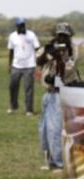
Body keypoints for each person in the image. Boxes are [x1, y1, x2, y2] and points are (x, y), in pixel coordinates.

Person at [37, 22, 81, 171]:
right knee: (43, 130)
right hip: (47, 94)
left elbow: (68, 70)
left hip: (60, 94)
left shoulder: (73, 51)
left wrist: (59, 58)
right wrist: (48, 52)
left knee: (55, 129)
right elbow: (38, 61)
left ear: (69, 37)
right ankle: (49, 160)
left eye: (64, 36)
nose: (61, 39)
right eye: (59, 35)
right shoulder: (51, 47)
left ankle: (59, 163)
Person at [7, 17, 40, 116]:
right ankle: (13, 106)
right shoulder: (12, 36)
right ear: (16, 26)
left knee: (28, 88)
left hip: (29, 65)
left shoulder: (31, 35)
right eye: (19, 26)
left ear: (25, 25)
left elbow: (37, 48)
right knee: (12, 86)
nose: (21, 27)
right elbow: (11, 51)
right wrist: (9, 65)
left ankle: (29, 110)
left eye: (23, 25)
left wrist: (38, 64)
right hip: (16, 65)